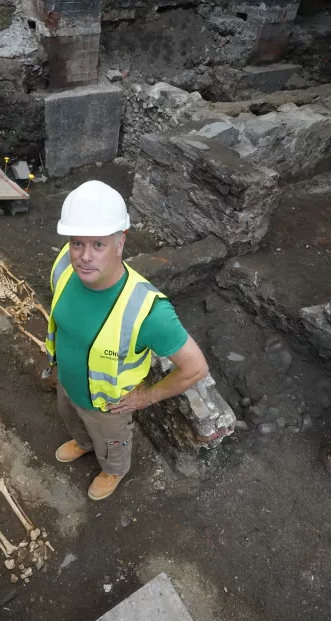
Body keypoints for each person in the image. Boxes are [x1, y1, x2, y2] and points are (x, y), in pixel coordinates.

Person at [45, 180, 209, 501]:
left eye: (98, 245)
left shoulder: (148, 311)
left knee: (110, 442)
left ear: (120, 242)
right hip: (66, 381)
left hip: (108, 405)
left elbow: (195, 368)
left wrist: (145, 398)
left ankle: (113, 469)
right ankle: (84, 443)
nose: (84, 257)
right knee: (70, 415)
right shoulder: (65, 264)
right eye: (77, 242)